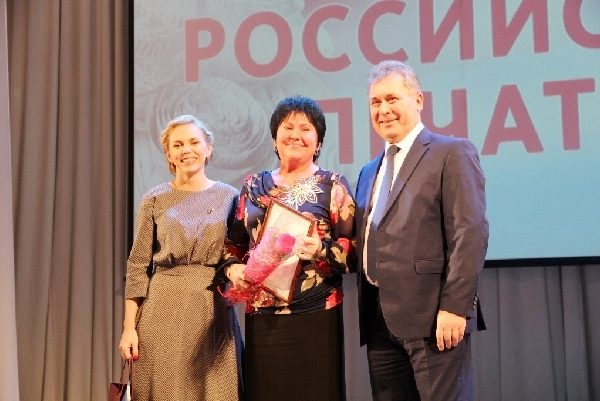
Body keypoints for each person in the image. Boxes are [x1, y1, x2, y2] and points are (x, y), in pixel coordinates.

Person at [355, 60, 489, 401]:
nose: (383, 110)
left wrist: (456, 307)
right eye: (375, 102)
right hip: (379, 324)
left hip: (433, 320)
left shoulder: (451, 152)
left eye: (392, 99)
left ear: (418, 100)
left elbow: (470, 233)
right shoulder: (368, 172)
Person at [224, 95, 356, 401]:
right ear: (274, 138)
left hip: (316, 316)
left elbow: (354, 252)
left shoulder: (332, 185)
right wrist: (234, 270)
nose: (295, 134)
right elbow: (232, 246)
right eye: (287, 127)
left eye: (306, 128)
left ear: (318, 143)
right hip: (263, 318)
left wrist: (320, 249)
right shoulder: (253, 186)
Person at [118, 115, 243, 400]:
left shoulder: (230, 197)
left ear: (208, 148)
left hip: (211, 310)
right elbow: (137, 266)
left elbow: (236, 255)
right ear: (169, 154)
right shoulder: (154, 199)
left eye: (194, 142)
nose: (186, 150)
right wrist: (129, 329)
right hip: (161, 311)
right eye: (177, 145)